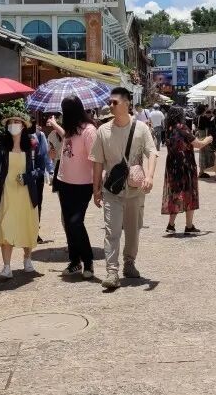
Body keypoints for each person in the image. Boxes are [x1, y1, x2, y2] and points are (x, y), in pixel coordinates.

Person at [91, 87, 158, 291]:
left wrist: (150, 176)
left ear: (127, 104)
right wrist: (96, 189)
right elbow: (97, 162)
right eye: (109, 102)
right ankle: (112, 271)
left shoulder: (141, 128)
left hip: (134, 189)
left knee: (133, 230)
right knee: (111, 230)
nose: (110, 106)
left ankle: (129, 262)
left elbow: (152, 152)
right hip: (112, 189)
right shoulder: (103, 131)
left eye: (115, 102)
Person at [47, 97, 99, 279]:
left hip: (83, 184)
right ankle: (75, 261)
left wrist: (97, 187)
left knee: (76, 222)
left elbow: (96, 159)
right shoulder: (71, 129)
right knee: (69, 224)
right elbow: (66, 137)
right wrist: (55, 125)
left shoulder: (89, 131)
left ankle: (88, 261)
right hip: (64, 182)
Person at [0, 109, 43, 278]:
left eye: (16, 122)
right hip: (7, 192)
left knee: (27, 225)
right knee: (6, 226)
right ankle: (7, 267)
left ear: (23, 125)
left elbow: (41, 168)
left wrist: (28, 177)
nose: (13, 125)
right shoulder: (1, 144)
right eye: (10, 123)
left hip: (26, 194)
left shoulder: (33, 144)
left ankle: (27, 258)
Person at [162, 106, 212, 234]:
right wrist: (208, 139)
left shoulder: (169, 129)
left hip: (172, 165)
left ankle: (171, 225)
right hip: (185, 165)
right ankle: (189, 226)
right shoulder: (182, 127)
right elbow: (198, 144)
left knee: (175, 193)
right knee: (189, 193)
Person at [29, 120, 50, 243]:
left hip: (36, 175)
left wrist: (49, 171)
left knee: (36, 204)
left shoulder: (39, 135)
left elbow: (44, 154)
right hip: (22, 175)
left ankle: (35, 232)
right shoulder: (16, 136)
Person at [197, 107, 216, 177]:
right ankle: (201, 172)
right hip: (204, 137)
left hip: (201, 137)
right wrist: (208, 138)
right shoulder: (204, 118)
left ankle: (201, 171)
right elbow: (207, 129)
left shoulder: (199, 117)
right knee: (205, 154)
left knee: (202, 154)